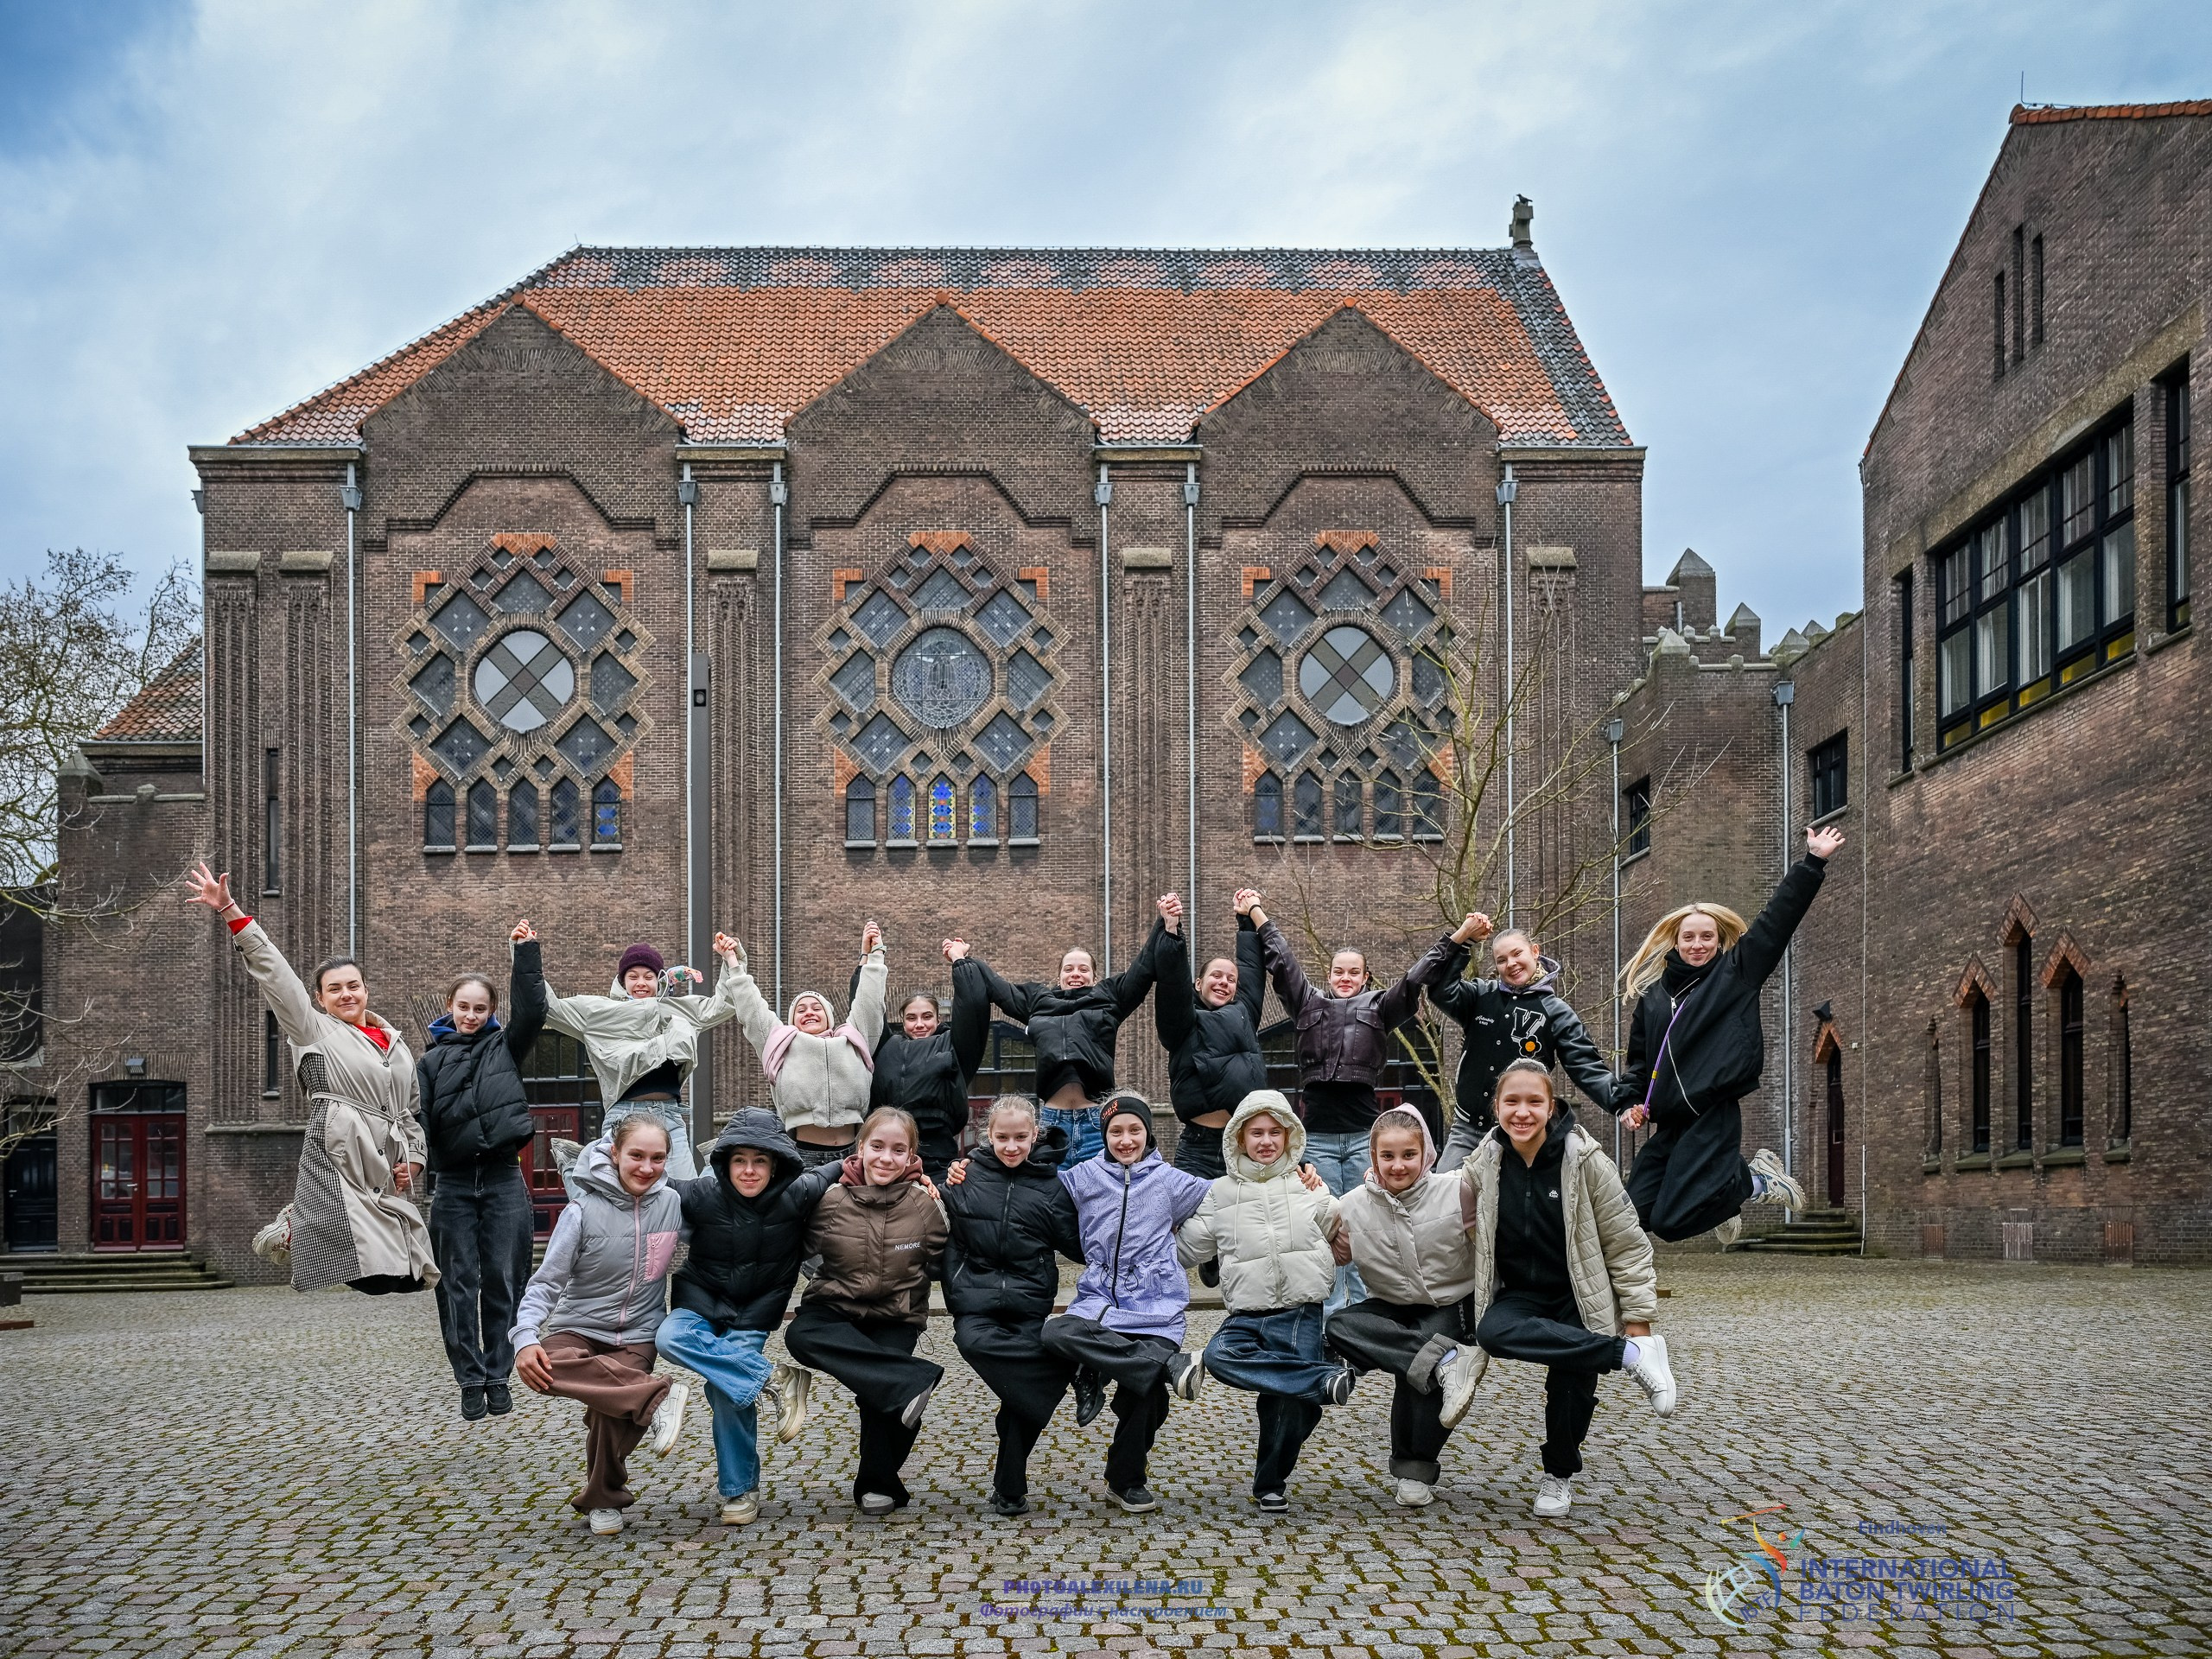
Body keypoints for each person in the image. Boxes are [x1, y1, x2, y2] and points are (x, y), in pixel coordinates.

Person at [183, 862, 435, 1295]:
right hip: (344, 1146)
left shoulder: (395, 1043)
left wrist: (415, 1156)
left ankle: (300, 1221)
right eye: (334, 989)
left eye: (353, 985)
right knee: (369, 1266)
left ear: (366, 989)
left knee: (407, 1275)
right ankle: (299, 1224)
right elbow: (274, 974)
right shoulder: (313, 1030)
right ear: (319, 998)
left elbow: (409, 1112)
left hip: (386, 1159)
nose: (346, 994)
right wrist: (232, 912)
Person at [1463, 1060, 1676, 1519]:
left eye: (1534, 1101)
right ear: (1496, 1107)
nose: (1522, 1112)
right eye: (1512, 1102)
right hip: (1520, 1295)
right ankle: (1627, 1358)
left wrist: (1638, 1324)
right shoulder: (1484, 1162)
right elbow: (1436, 1194)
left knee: (1571, 1384)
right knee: (1492, 1333)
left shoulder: (1587, 1161)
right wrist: (1374, 1182)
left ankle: (1557, 1477)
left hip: (1578, 1293)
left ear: (1552, 1105)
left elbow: (1627, 1244)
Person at [1612, 825, 1842, 1245]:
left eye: (1707, 937)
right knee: (1634, 1212)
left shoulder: (1735, 974)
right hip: (1670, 1122)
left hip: (1712, 1113)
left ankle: (1753, 1182)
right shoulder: (1654, 998)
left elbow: (1776, 924)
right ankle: (1724, 1199)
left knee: (1670, 1222)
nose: (1697, 945)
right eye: (1689, 937)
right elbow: (1641, 1064)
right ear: (1676, 942)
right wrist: (1631, 1102)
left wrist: (1812, 863)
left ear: (1719, 942)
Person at [1243, 887, 1459, 1313]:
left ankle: (1361, 1316)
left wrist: (1455, 940)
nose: (1345, 978)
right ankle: (1327, 1318)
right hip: (1319, 1139)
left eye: (1353, 972)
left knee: (1363, 1228)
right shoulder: (1308, 1003)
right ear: (1329, 974)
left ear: (1365, 977)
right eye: (1338, 971)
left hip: (1363, 1139)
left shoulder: (1380, 1008)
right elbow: (1283, 963)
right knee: (1323, 1229)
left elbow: (1416, 979)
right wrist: (1256, 914)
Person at [654, 1109, 837, 1525]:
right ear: (725, 1163)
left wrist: (920, 1171)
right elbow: (640, 1173)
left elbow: (852, 1164)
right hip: (700, 1302)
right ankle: (775, 1377)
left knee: (725, 1390)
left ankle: (739, 1491)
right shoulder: (700, 1194)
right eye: (740, 1160)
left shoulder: (800, 1192)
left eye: (760, 1161)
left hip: (753, 1314)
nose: (749, 1171)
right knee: (668, 1337)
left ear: (776, 1166)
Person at [1176, 1090, 1355, 1514]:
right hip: (1248, 1313)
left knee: (1290, 1409)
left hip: (1301, 1311)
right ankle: (1321, 1378)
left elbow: (1342, 1230)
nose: (1266, 1140)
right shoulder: (1218, 1194)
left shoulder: (1307, 1185)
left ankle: (1270, 1483)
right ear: (1238, 1138)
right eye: (1256, 1132)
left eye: (1276, 1131)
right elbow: (1185, 1249)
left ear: (1290, 1135)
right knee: (1219, 1356)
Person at [512, 1117, 691, 1535]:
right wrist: (523, 1339)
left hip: (639, 1334)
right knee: (545, 1367)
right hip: (578, 1325)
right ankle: (655, 1397)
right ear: (614, 1154)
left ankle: (603, 1500)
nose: (647, 1167)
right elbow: (546, 1284)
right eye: (636, 1156)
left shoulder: (672, 1205)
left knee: (611, 1409)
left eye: (657, 1158)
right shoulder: (581, 1210)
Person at [1036, 1094, 1211, 1511]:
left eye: (1135, 1129)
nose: (1126, 1139)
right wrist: (965, 1169)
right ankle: (1162, 1365)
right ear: (1105, 1135)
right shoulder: (1082, 1177)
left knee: (1149, 1396)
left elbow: (1230, 1194)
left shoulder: (1172, 1181)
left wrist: (1300, 1173)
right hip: (1097, 1304)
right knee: (1055, 1331)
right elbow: (1030, 1184)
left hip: (1157, 1309)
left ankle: (1125, 1478)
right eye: (1116, 1131)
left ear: (1148, 1132)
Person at [781, 1107, 947, 1515]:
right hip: (836, 1309)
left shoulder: (924, 1204)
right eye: (877, 1146)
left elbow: (945, 1261)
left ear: (911, 1157)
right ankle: (913, 1380)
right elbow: (792, 1251)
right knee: (800, 1335)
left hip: (896, 1314)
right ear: (860, 1148)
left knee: (882, 1395)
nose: (885, 1158)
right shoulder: (831, 1198)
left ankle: (878, 1483)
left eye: (898, 1150)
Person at [416, 921, 546, 1420]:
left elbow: (534, 1008)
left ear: (492, 1012)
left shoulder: (505, 1048)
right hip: (451, 1185)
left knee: (505, 1279)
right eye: (463, 1006)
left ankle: (498, 1373)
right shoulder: (428, 1064)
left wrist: (524, 953)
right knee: (456, 1284)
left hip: (502, 1180)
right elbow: (420, 1121)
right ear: (450, 1007)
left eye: (481, 1008)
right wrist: (411, 1163)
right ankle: (468, 1378)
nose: (471, 1015)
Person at [1325, 1106, 1484, 1506]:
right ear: (1373, 1157)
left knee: (1419, 1372)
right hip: (1391, 1305)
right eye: (1387, 1156)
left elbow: (1492, 1242)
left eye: (1408, 1155)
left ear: (1426, 1153)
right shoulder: (1350, 1205)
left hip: (1451, 1301)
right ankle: (1448, 1361)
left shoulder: (1457, 1190)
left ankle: (1414, 1467)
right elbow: (1333, 1254)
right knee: (1340, 1326)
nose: (1398, 1166)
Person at [940, 1096, 1086, 1516]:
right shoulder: (963, 1178)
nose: (1010, 1146)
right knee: (974, 1345)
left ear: (1034, 1135)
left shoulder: (1053, 1186)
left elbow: (1077, 1245)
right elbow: (932, 1210)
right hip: (976, 1302)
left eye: (1020, 1137)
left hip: (1028, 1304)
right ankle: (1067, 1368)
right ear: (987, 1136)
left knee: (1018, 1397)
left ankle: (1009, 1489)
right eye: (1002, 1137)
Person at [541, 930, 746, 1183]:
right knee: (610, 1198)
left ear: (659, 981)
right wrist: (525, 953)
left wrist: (731, 960)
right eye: (633, 976)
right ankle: (573, 1165)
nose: (641, 983)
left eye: (649, 977)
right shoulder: (600, 1012)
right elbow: (550, 1008)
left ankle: (717, 1158)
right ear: (622, 981)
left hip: (670, 1117)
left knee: (687, 1194)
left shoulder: (679, 1010)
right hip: (624, 1117)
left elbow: (724, 1005)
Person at [1427, 913, 1618, 1172]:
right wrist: (1464, 941)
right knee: (1448, 1201)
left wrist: (1622, 1102)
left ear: (1535, 951)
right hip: (1468, 1130)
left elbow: (1585, 1065)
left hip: (1519, 1134)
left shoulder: (1556, 1012)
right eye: (1502, 960)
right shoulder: (1481, 996)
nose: (1512, 964)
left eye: (1517, 954)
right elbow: (1440, 990)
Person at [976, 922, 1162, 1165]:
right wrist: (965, 960)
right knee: (1053, 1196)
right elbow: (998, 988)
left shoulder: (1108, 1000)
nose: (1076, 973)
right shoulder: (1039, 1003)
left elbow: (1142, 970)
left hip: (1096, 1122)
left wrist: (1163, 925)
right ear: (1060, 976)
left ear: (1094, 978)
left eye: (1083, 969)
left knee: (1100, 1196)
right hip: (1053, 1124)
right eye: (1069, 969)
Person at [728, 922, 889, 1171]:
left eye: (817, 1008)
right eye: (800, 1010)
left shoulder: (853, 1039)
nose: (809, 1013)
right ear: (792, 1020)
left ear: (828, 1017)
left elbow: (870, 1002)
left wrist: (874, 954)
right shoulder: (781, 1043)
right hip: (802, 1155)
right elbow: (752, 1010)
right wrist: (734, 964)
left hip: (852, 1155)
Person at [1150, 893, 1268, 1180]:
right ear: (1199, 983)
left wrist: (1247, 921)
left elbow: (1253, 970)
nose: (1224, 982)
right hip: (1198, 1148)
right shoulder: (1183, 1021)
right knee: (1192, 1223)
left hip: (1243, 1147)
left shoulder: (1244, 1012)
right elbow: (1173, 985)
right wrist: (1172, 931)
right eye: (1217, 976)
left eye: (1231, 979)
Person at [856, 936, 992, 1179]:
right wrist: (867, 959)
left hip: (938, 1158)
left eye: (927, 1016)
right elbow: (866, 1010)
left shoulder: (954, 1046)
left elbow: (972, 1006)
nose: (919, 1024)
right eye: (911, 1018)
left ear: (938, 1020)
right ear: (903, 1021)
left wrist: (959, 961)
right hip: (890, 1153)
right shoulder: (887, 1046)